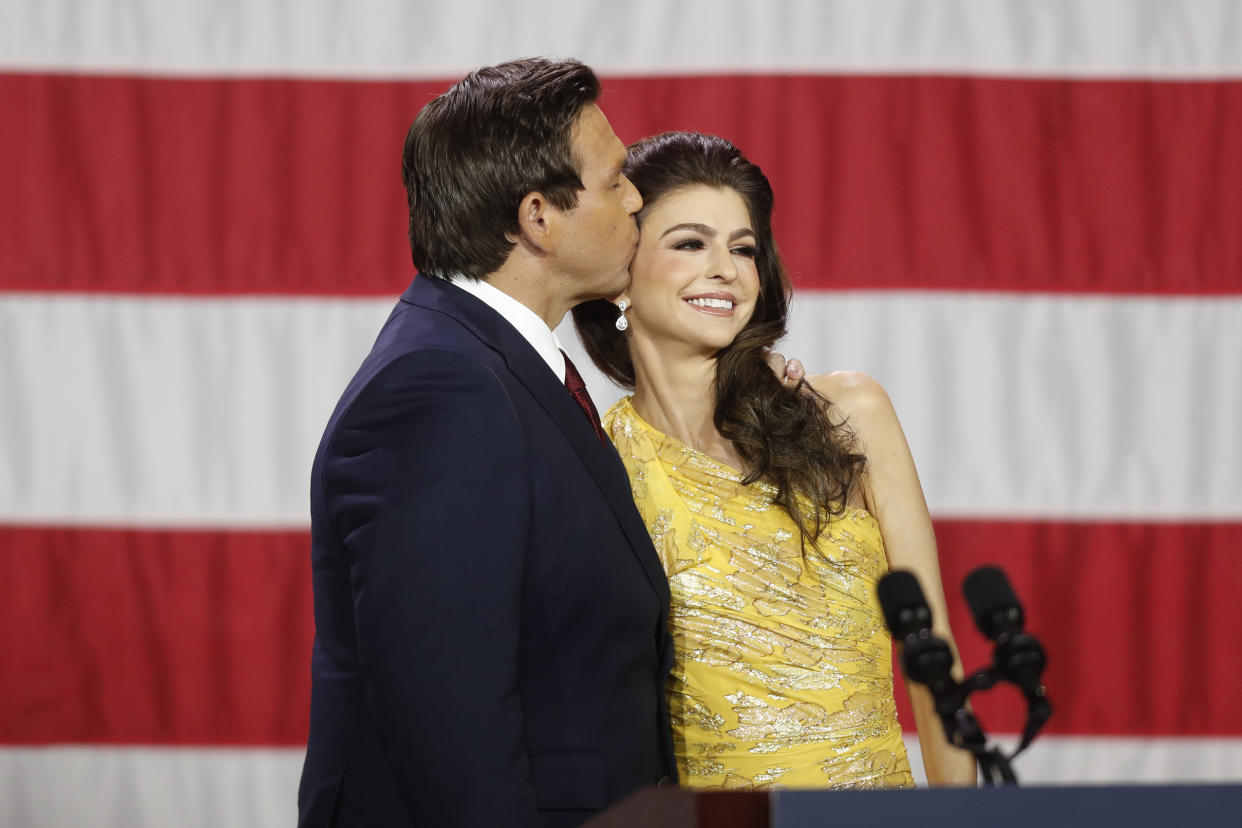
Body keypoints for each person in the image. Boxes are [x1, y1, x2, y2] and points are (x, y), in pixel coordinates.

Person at [297, 58, 679, 828]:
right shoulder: (443, 389)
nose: (637, 196)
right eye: (614, 181)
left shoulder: (495, 366)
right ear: (539, 217)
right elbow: (449, 719)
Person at [573, 132, 978, 789]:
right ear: (621, 273)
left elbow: (934, 659)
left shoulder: (848, 413)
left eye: (743, 249)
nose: (726, 269)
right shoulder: (596, 464)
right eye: (689, 243)